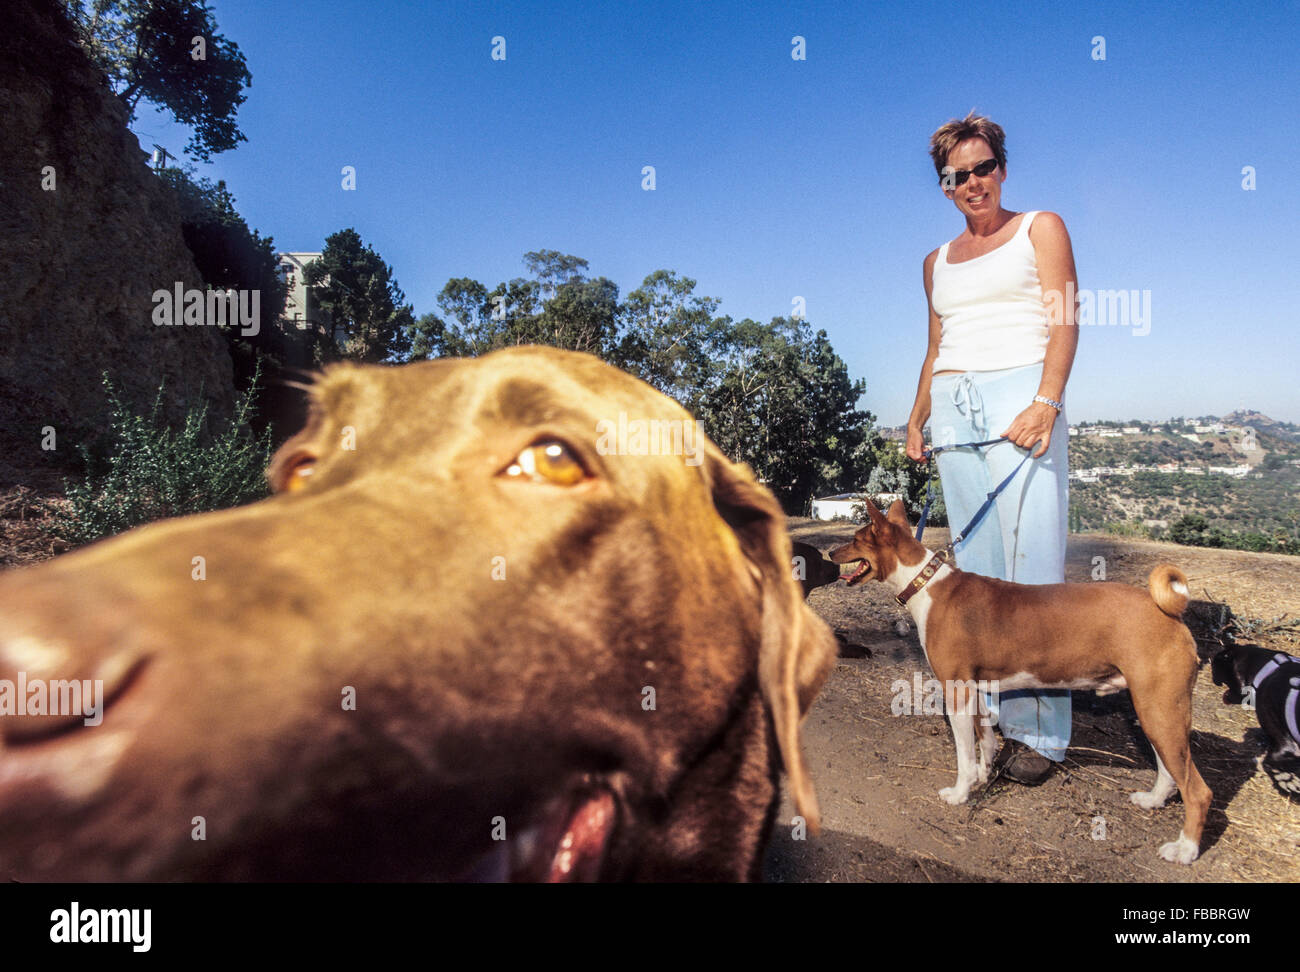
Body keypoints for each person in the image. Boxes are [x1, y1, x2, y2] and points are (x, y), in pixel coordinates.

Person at [905, 112, 1080, 784]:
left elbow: (1063, 321)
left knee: (1032, 579)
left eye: (984, 168)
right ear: (944, 186)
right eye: (959, 175)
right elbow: (935, 348)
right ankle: (991, 725)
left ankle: (1043, 736)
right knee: (974, 586)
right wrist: (917, 419)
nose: (974, 182)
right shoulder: (934, 262)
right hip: (953, 415)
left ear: (1001, 168)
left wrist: (1047, 401)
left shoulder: (1041, 227)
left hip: (1022, 407)